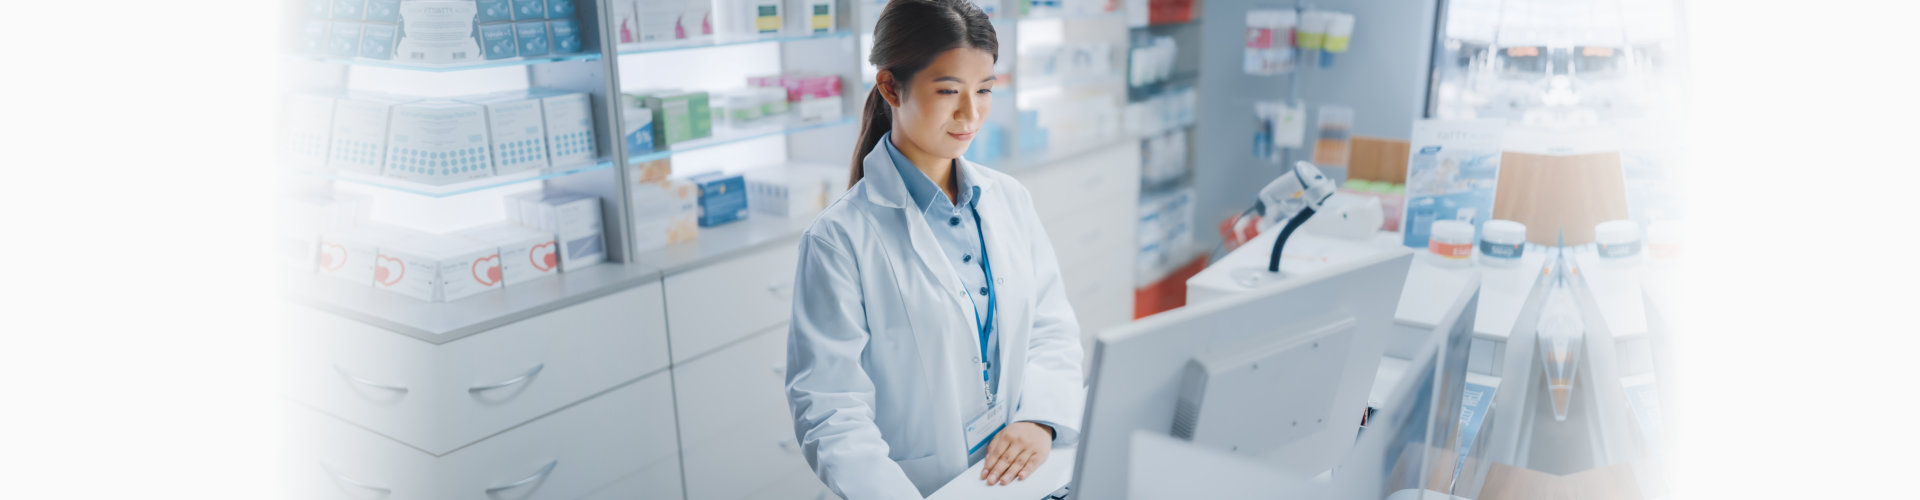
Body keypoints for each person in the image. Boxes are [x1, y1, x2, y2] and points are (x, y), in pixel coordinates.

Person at [783, 0, 1085, 497]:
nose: (971, 114)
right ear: (890, 87)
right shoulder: (838, 239)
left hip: (1015, 476)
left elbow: (1050, 327)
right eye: (948, 91)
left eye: (984, 90)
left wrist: (1041, 420)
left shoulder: (1008, 199)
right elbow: (830, 409)